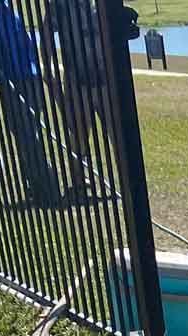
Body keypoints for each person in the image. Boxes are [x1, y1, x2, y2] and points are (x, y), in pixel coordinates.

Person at [0, 0, 58, 206]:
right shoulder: (4, 7)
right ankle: (37, 187)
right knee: (27, 132)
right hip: (31, 76)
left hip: (15, 80)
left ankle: (46, 189)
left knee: (25, 135)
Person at [39, 0, 109, 197]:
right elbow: (46, 35)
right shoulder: (59, 7)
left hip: (104, 78)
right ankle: (78, 180)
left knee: (115, 130)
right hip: (77, 79)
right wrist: (47, 66)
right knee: (78, 131)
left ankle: (122, 176)